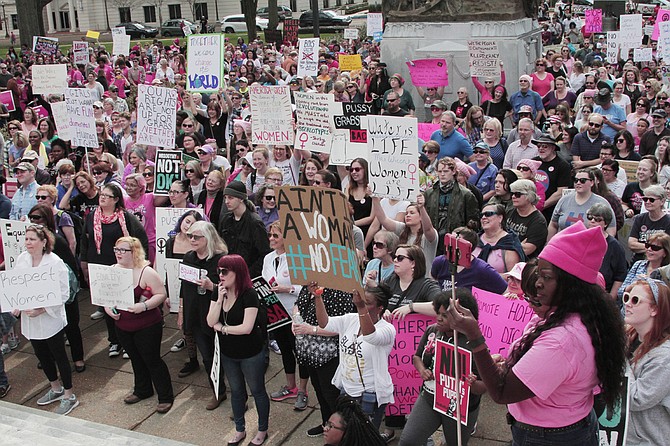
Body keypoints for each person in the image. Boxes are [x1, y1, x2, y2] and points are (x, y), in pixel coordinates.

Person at [446, 221, 627, 446]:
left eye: (547, 276)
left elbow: (502, 393)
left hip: (549, 437)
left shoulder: (563, 340)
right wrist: (508, 365)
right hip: (559, 428)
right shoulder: (563, 314)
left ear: (571, 284)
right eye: (538, 273)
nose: (537, 283)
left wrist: (475, 336)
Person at [399, 289, 485, 446]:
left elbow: (484, 386)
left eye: (445, 316)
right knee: (408, 441)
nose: (438, 318)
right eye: (438, 313)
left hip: (460, 407)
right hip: (429, 398)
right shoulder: (432, 331)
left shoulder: (473, 343)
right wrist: (422, 371)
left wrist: (472, 384)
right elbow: (417, 357)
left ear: (461, 318)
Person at [12, 225, 80, 415]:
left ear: (43, 242)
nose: (28, 243)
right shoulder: (22, 259)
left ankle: (69, 395)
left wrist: (42, 309)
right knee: (42, 355)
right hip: (30, 318)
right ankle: (55, 387)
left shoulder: (54, 262)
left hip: (51, 319)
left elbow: (63, 293)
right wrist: (17, 304)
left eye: (32, 239)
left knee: (59, 356)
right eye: (26, 239)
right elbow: (17, 284)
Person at [313, 282, 396, 428]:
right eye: (361, 301)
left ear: (380, 307)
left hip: (369, 394)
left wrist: (360, 307)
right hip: (347, 389)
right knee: (348, 433)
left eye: (367, 302)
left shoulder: (387, 329)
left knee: (365, 436)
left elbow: (370, 336)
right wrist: (318, 297)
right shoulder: (350, 319)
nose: (362, 304)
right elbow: (324, 323)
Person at [80, 183, 149, 356]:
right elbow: (85, 240)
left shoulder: (125, 218)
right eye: (101, 195)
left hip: (120, 267)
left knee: (124, 305)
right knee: (107, 305)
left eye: (107, 196)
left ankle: (127, 341)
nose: (102, 198)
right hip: (99, 266)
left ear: (116, 199)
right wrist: (85, 261)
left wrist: (138, 262)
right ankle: (114, 341)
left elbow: (139, 239)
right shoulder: (91, 217)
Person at [207, 254, 269, 446]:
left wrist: (223, 328)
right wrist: (218, 299)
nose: (221, 275)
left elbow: (246, 327)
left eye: (225, 271)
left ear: (238, 272)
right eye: (219, 271)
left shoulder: (249, 294)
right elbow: (210, 321)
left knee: (257, 390)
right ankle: (240, 429)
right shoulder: (219, 292)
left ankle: (262, 430)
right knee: (236, 391)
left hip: (250, 353)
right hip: (229, 353)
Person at [107, 237, 173, 414]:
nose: (118, 253)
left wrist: (143, 306)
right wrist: (108, 309)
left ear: (134, 252)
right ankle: (142, 389)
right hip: (123, 325)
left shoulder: (146, 272)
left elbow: (160, 294)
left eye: (123, 250)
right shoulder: (113, 270)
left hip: (147, 325)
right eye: (116, 249)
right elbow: (106, 295)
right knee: (135, 358)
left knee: (152, 360)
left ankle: (165, 396)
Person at [263, 221, 309, 410]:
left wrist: (288, 288)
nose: (272, 239)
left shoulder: (297, 258)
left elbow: (306, 287)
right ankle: (290, 386)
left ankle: (303, 391)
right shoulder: (268, 258)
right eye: (270, 235)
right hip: (275, 313)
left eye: (276, 235)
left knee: (301, 352)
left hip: (295, 312)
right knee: (284, 350)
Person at [624, 278, 670, 446]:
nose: (628, 304)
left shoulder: (664, 357)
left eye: (635, 300)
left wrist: (618, 360)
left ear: (654, 309)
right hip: (626, 437)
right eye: (626, 297)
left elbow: (637, 398)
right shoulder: (630, 338)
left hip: (649, 440)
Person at [218, 180, 271, 278]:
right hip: (228, 273)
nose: (226, 201)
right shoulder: (226, 220)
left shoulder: (255, 223)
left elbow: (265, 254)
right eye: (225, 198)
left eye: (230, 198)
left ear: (241, 199)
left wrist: (248, 274)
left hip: (248, 275)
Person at [548, 169, 616, 239]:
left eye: (582, 180)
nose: (578, 183)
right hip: (563, 244)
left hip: (588, 246)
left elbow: (611, 229)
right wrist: (548, 244)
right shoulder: (564, 200)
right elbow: (553, 224)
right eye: (576, 180)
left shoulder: (602, 202)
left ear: (592, 182)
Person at [585, 203, 626, 299]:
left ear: (606, 223)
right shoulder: (580, 239)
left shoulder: (615, 246)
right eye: (590, 217)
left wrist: (610, 299)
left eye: (598, 219)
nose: (592, 221)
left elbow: (620, 276)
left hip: (602, 294)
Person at [619, 233, 670, 307]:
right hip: (628, 311)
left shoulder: (666, 272)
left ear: (665, 253)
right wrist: (635, 284)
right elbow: (620, 292)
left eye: (655, 248)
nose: (649, 249)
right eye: (647, 246)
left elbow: (664, 300)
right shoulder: (638, 264)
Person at [475, 203, 525, 275]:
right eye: (481, 215)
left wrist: (487, 276)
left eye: (488, 214)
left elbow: (513, 276)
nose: (483, 217)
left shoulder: (509, 243)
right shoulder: (475, 240)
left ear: (500, 218)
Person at [628, 185, 670, 263]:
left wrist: (642, 247)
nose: (647, 202)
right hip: (638, 262)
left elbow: (667, 248)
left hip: (661, 264)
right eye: (645, 199)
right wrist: (655, 248)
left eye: (651, 200)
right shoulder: (639, 219)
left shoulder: (668, 221)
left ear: (662, 201)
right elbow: (631, 244)